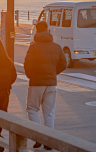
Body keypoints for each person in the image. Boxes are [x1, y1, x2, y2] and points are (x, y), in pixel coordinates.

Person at [24, 20, 67, 149]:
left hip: (36, 83)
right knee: (49, 113)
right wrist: (53, 73)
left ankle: (39, 137)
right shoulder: (56, 47)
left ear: (36, 30)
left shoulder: (33, 46)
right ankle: (49, 142)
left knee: (32, 109)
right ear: (47, 30)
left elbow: (27, 65)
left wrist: (31, 76)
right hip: (51, 84)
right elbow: (63, 64)